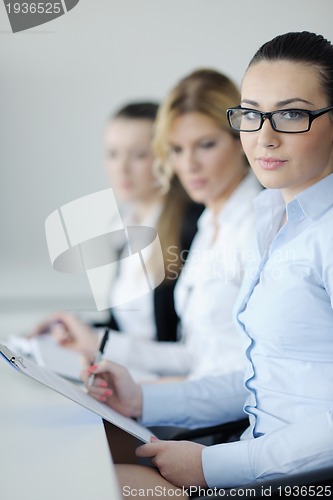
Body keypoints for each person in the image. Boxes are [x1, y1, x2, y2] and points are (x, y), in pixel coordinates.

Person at [82, 30, 333, 494]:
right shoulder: (273, 220)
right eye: (252, 116)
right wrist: (144, 398)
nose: (266, 136)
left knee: (97, 479)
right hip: (256, 452)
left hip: (295, 477)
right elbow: (262, 378)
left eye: (292, 114)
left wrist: (217, 466)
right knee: (82, 458)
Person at [31, 102, 203, 378]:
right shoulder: (125, 224)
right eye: (112, 154)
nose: (121, 168)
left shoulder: (193, 227)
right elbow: (127, 326)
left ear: (165, 157)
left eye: (138, 155)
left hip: (168, 387)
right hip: (133, 376)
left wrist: (99, 342)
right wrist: (74, 327)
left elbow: (194, 352)